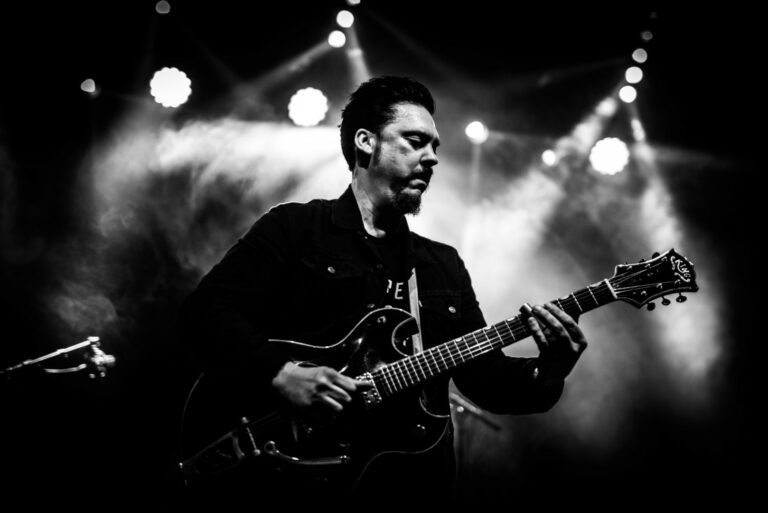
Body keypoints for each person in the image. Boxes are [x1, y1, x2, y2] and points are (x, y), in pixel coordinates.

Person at [177, 75, 587, 507]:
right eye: (415, 141)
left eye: (435, 147)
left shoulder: (441, 265)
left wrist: (549, 370)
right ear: (365, 142)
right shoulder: (296, 229)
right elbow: (205, 311)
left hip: (405, 492)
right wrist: (280, 374)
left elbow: (483, 380)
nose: (431, 158)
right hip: (286, 486)